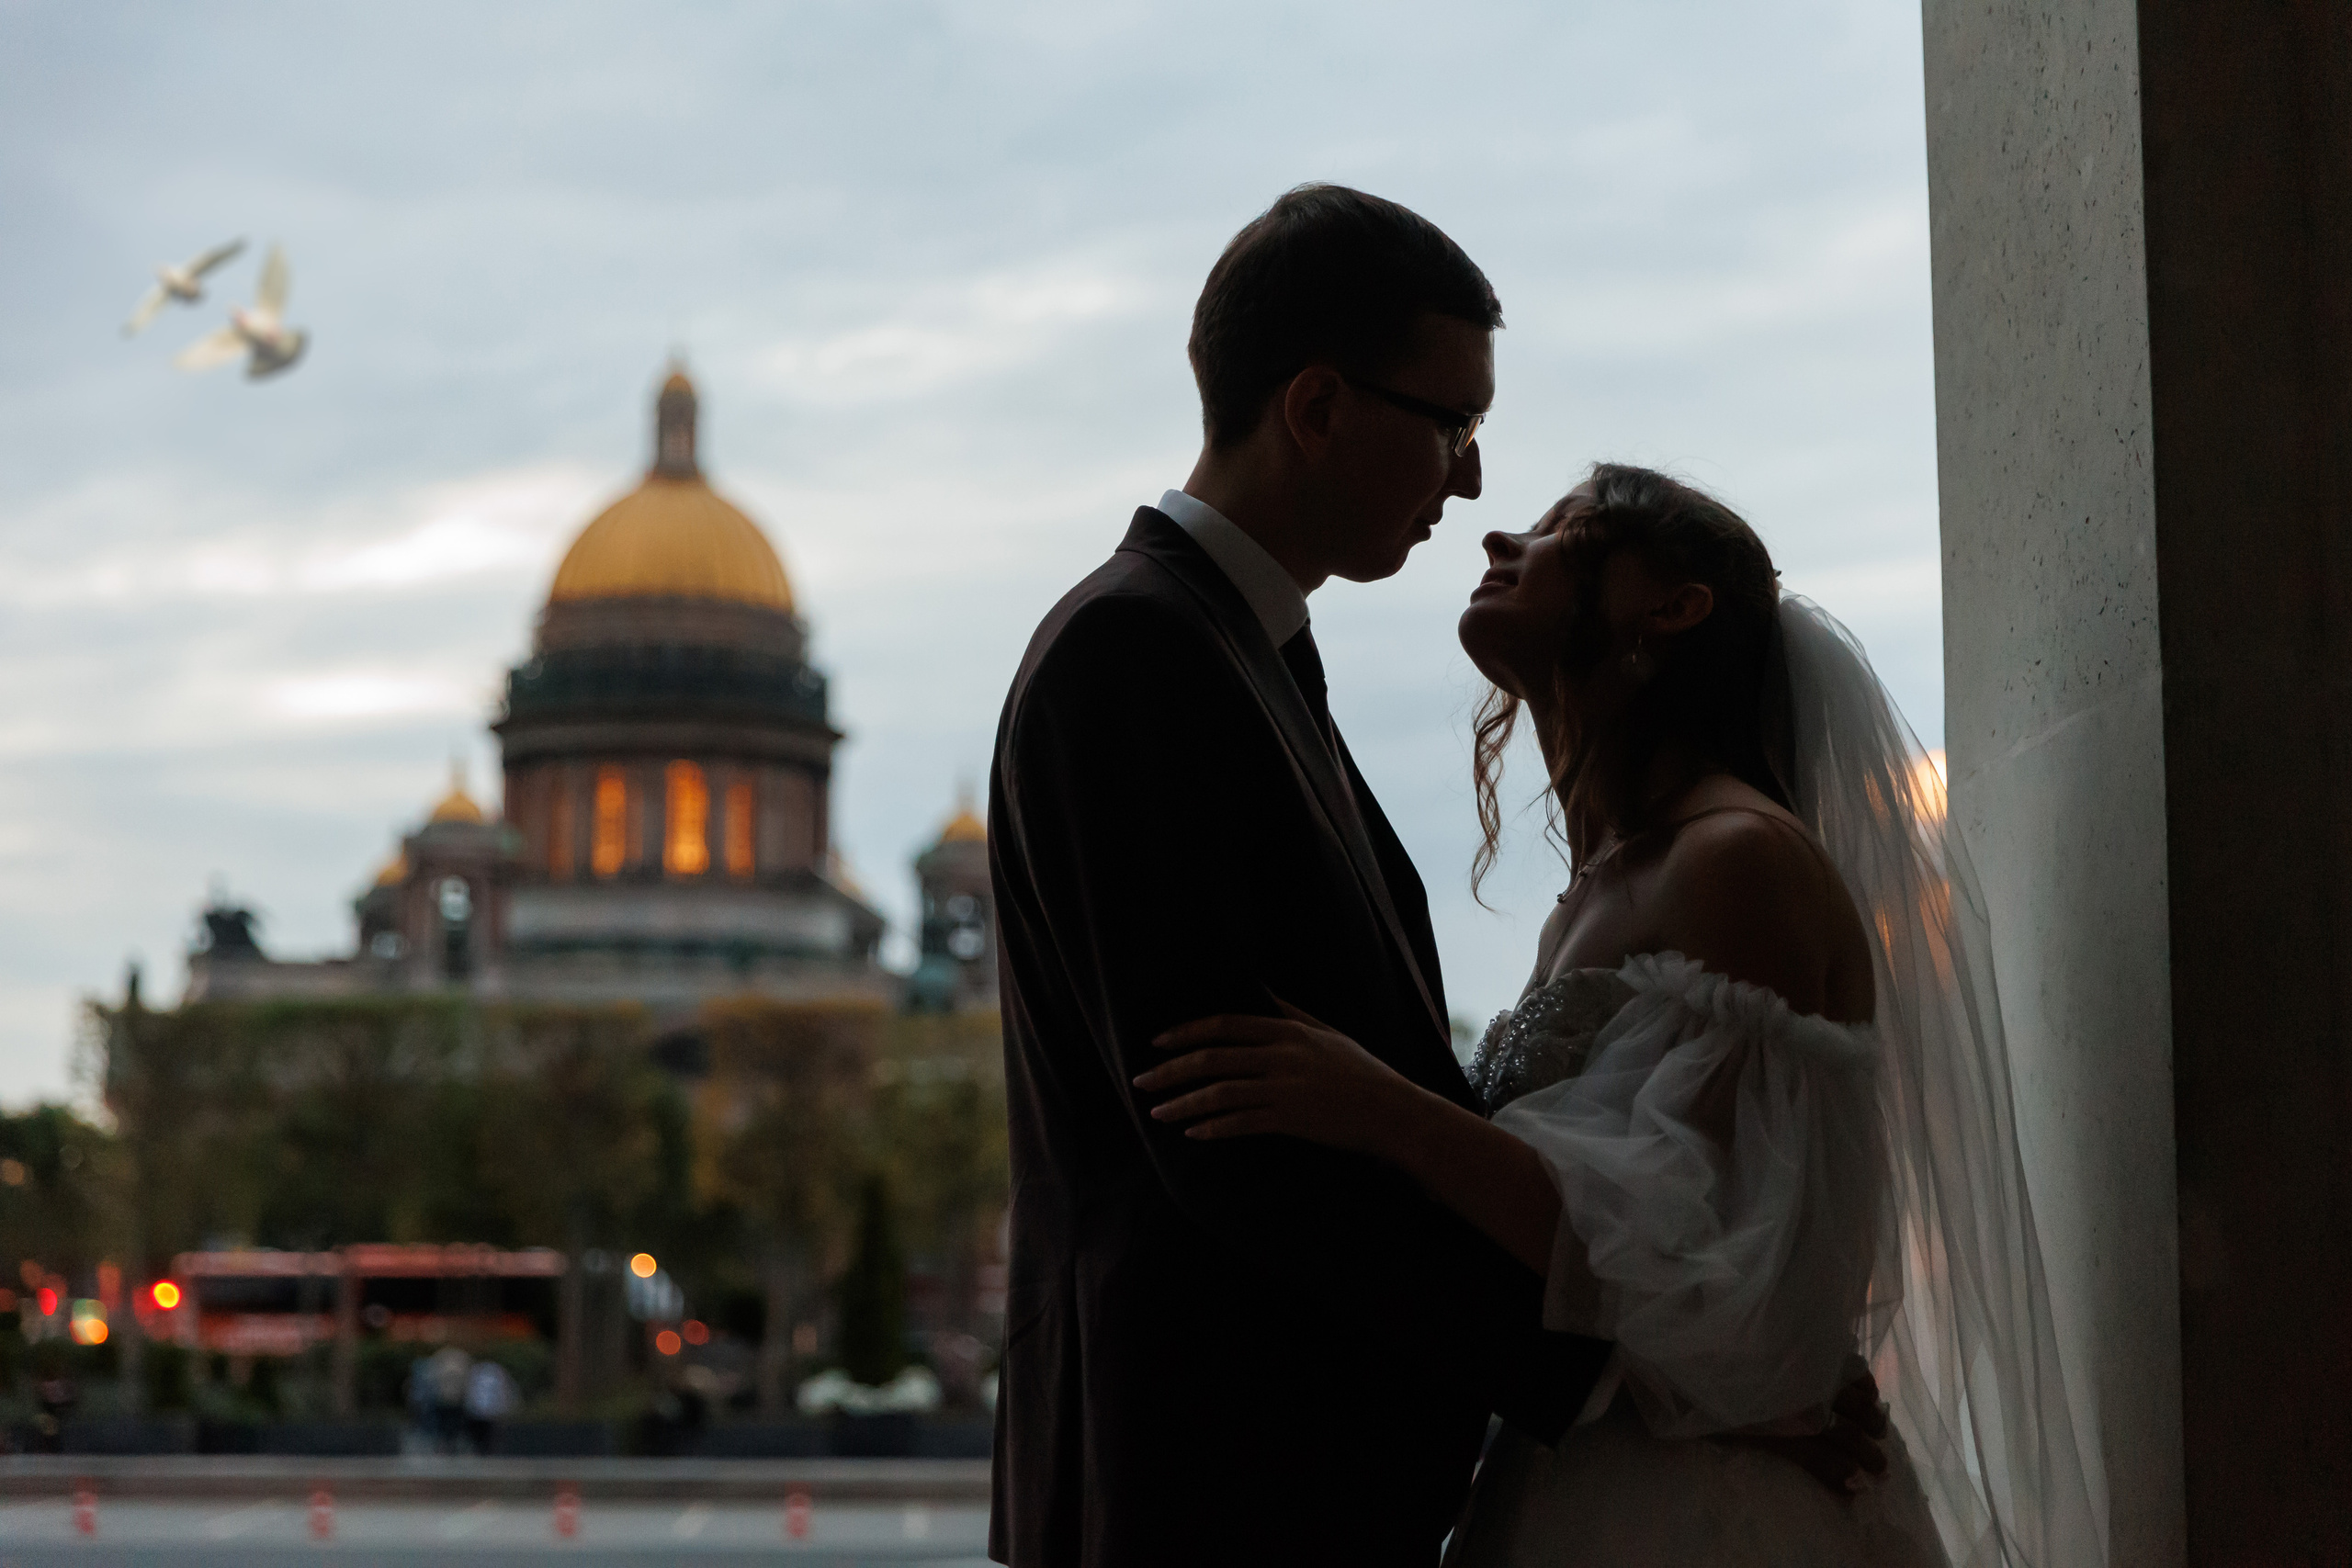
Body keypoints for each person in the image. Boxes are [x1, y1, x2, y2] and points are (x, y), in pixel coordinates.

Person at [986, 188, 1881, 1568]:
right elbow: (1234, 1134)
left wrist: (1691, 1357)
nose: (1470, 485)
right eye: (1456, 425)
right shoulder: (1140, 655)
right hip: (1215, 1486)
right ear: (1322, 407)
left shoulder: (1247, 662)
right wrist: (1637, 1373)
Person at [1144, 468, 2107, 1565]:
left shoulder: (1739, 862)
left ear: (1673, 608)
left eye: (1568, 533)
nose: (1500, 535)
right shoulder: (1606, 884)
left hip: (1697, 1510)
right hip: (1582, 1469)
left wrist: (1379, 1108)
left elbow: (1716, 1267)